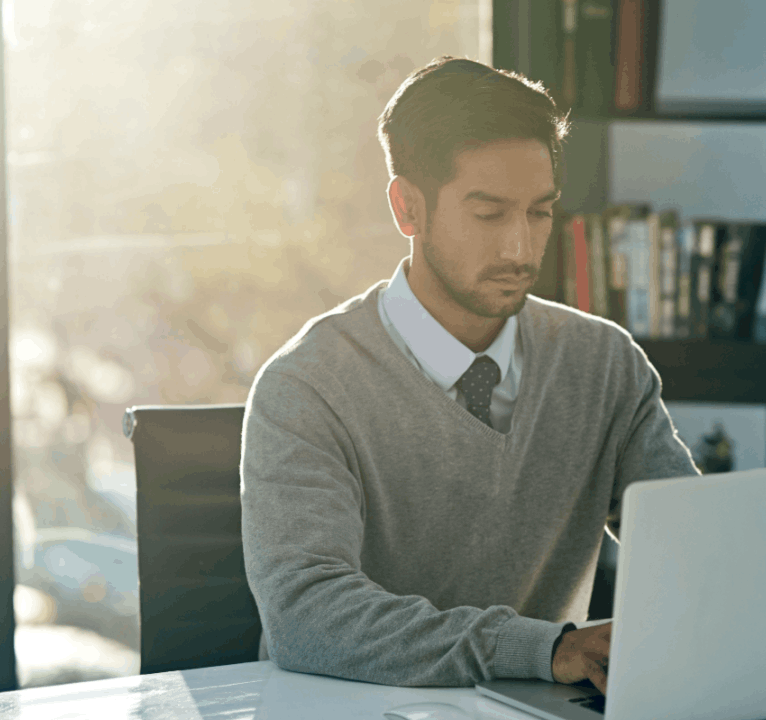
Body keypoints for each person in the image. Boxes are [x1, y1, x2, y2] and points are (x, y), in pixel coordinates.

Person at [239, 56, 698, 694]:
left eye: (539, 213)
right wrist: (545, 647)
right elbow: (306, 618)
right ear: (408, 209)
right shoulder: (307, 387)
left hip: (532, 705)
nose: (520, 248)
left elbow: (695, 548)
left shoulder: (603, 365)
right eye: (489, 215)